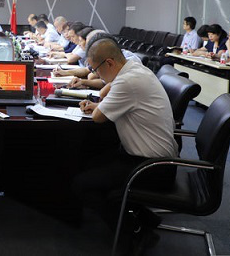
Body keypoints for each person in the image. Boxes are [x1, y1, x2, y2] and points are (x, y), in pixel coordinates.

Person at [72, 36, 177, 253]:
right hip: (154, 158)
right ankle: (145, 218)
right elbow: (111, 105)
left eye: (96, 69)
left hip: (152, 166)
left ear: (109, 63)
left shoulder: (127, 81)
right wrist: (98, 106)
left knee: (82, 183)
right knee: (88, 163)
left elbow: (98, 118)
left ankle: (136, 232)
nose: (96, 74)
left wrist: (98, 108)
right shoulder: (135, 70)